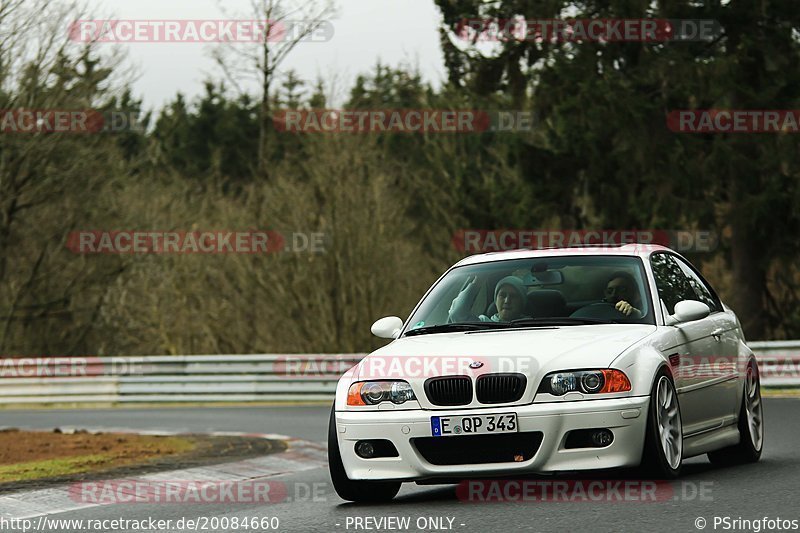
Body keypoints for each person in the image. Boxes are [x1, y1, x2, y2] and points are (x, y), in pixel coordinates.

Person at [448, 275, 529, 322]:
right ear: (495, 300)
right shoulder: (484, 324)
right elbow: (457, 313)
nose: (507, 301)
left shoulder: (531, 326)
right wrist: (477, 282)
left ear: (522, 301)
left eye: (513, 296)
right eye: (502, 295)